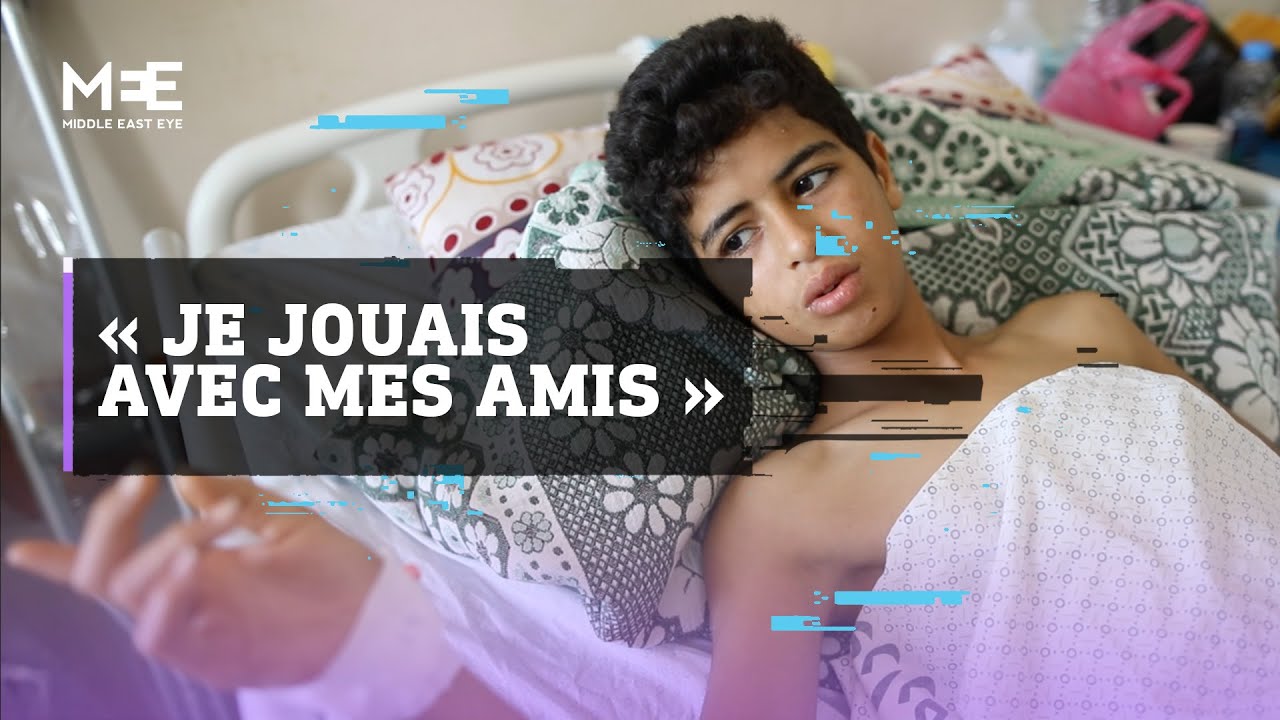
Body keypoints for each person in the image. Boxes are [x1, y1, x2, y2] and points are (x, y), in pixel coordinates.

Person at [8, 15, 1279, 720]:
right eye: (736, 239)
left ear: (880, 170)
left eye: (810, 181)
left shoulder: (1079, 325)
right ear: (714, 292)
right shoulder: (785, 505)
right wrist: (372, 649)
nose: (797, 247)